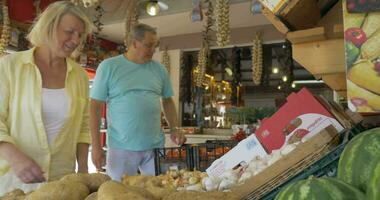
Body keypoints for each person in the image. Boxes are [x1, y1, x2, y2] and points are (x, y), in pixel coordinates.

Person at [0, 1, 92, 195]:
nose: (75, 40)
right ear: (49, 27)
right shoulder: (10, 66)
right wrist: (15, 157)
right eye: (69, 32)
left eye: (80, 35)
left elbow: (83, 126)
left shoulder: (80, 76)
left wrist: (83, 170)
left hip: (61, 183)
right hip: (13, 181)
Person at [90, 23, 186, 181]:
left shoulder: (159, 69)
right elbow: (95, 107)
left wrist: (175, 128)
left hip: (154, 147)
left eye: (155, 46)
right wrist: (96, 146)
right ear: (134, 43)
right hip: (121, 148)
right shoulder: (109, 67)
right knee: (119, 195)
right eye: (149, 45)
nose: (153, 50)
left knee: (157, 193)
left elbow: (168, 100)